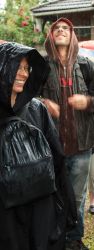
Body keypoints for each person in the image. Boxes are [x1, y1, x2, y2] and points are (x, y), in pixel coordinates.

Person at [0, 42, 76, 250]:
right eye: (17, 66)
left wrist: (67, 205)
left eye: (27, 68)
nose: (23, 73)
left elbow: (57, 158)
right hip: (7, 212)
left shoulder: (36, 109)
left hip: (41, 205)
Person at [39, 18, 94, 250]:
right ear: (51, 36)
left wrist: (86, 101)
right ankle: (55, 239)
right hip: (51, 145)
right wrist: (43, 102)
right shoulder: (42, 65)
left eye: (66, 28)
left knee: (77, 197)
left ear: (73, 34)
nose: (61, 31)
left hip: (81, 144)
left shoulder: (85, 65)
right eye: (56, 29)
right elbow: (29, 97)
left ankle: (74, 239)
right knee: (53, 195)